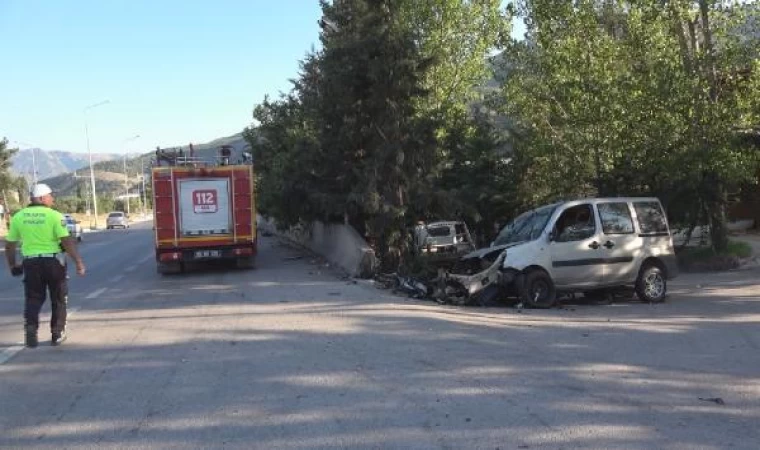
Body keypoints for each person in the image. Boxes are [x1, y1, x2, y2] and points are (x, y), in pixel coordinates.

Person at [3, 184, 86, 348]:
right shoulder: (54, 216)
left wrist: (13, 265)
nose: (52, 198)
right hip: (53, 262)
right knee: (59, 297)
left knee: (33, 298)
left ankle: (31, 328)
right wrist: (78, 261)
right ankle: (57, 333)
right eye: (50, 195)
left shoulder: (19, 217)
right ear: (41, 198)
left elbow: (10, 245)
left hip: (31, 263)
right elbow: (66, 241)